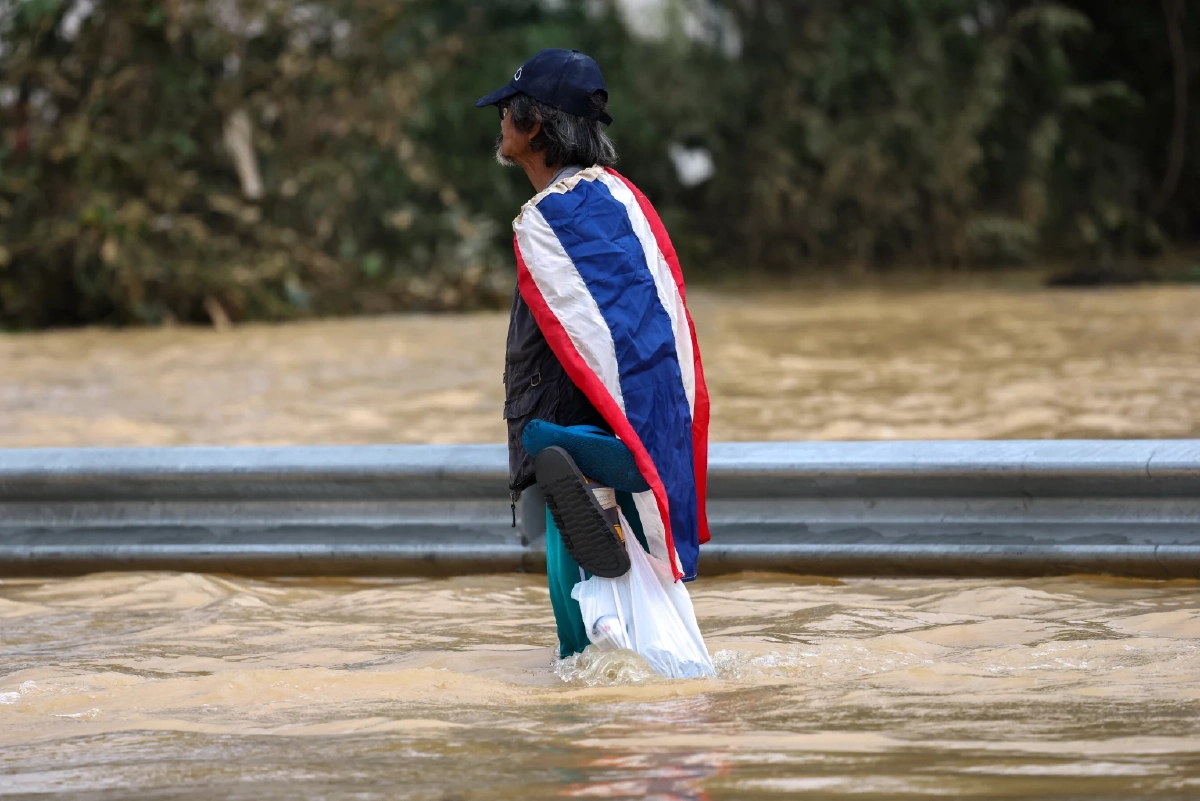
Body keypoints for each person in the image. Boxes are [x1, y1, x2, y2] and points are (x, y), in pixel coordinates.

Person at [476, 49, 711, 659]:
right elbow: (642, 330)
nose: (499, 119)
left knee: (586, 647)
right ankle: (595, 456)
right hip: (623, 440)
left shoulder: (551, 217)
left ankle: (579, 452)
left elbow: (571, 341)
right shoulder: (620, 201)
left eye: (508, 109)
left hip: (579, 463)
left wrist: (539, 445)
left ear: (534, 126)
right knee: (640, 630)